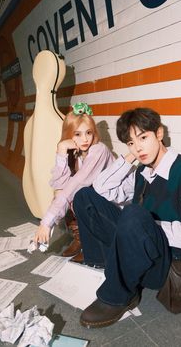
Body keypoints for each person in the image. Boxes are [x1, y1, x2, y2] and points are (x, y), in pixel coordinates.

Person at [72, 107, 181, 328]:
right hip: (140, 251)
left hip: (166, 264)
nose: (138, 147)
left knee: (133, 215)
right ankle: (104, 267)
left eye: (143, 137)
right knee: (85, 197)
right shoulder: (143, 172)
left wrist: (152, 229)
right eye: (131, 143)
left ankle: (119, 294)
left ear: (159, 134)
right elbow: (102, 187)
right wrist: (132, 155)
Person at [33, 102, 114, 261]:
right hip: (96, 204)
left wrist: (46, 223)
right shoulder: (77, 153)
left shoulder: (99, 150)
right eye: (77, 134)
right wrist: (62, 149)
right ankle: (82, 238)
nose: (85, 139)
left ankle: (94, 243)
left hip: (113, 210)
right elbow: (59, 184)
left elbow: (75, 184)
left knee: (76, 193)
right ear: (69, 134)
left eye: (89, 133)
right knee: (60, 192)